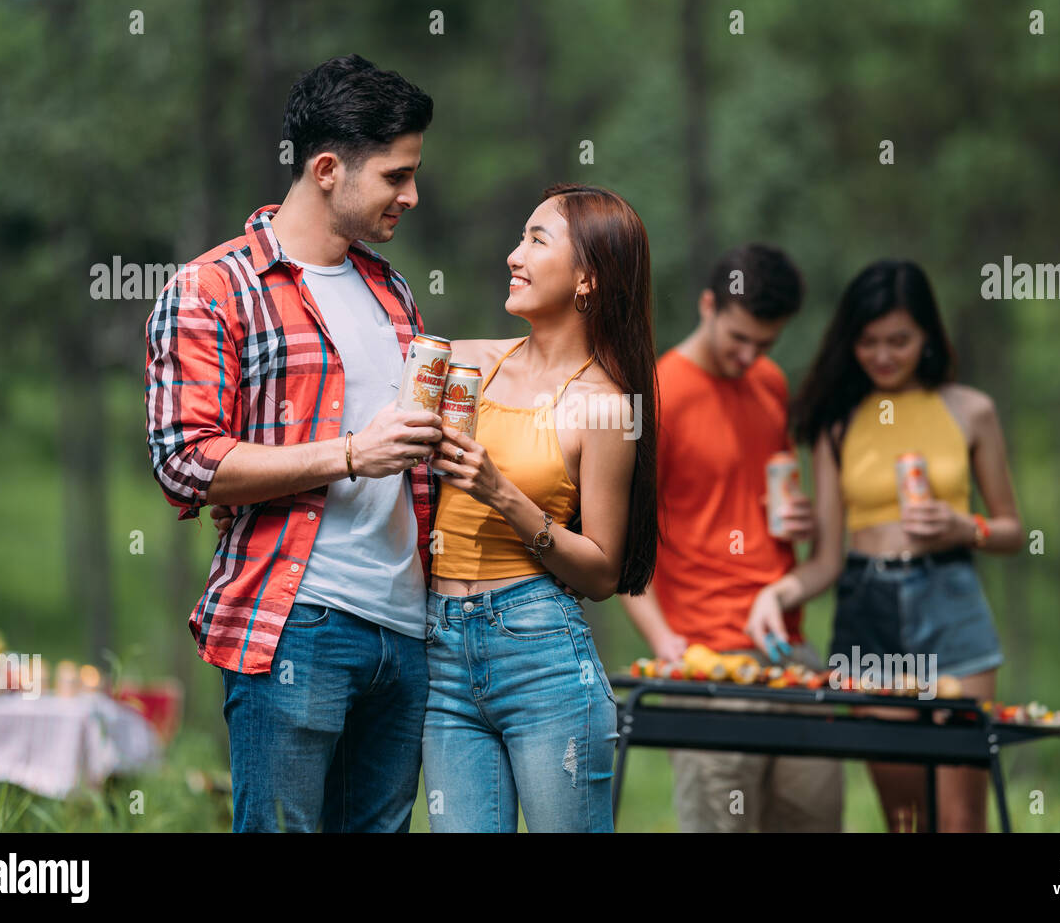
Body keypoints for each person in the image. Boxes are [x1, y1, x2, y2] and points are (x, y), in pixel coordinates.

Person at [146, 54, 443, 832]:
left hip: (406, 631)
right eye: (395, 176)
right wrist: (349, 453)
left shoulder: (392, 290)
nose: (410, 196)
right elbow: (186, 462)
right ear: (324, 169)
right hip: (300, 625)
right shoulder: (214, 289)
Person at [747, 259, 1023, 832]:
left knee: (960, 820)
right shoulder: (838, 425)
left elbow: (1011, 530)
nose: (883, 355)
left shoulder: (971, 410)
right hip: (866, 607)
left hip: (951, 600)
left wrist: (962, 527)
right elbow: (825, 560)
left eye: (899, 340)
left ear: (927, 336)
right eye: (868, 342)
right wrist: (778, 593)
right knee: (904, 817)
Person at [420, 183, 658, 832]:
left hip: (540, 653)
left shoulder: (605, 408)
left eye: (536, 240)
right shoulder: (468, 365)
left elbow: (604, 573)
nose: (513, 255)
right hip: (440, 653)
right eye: (519, 237)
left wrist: (502, 494)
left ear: (588, 279)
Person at [619, 243, 844, 833]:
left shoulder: (770, 384)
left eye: (765, 344)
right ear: (708, 304)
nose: (749, 357)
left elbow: (758, 496)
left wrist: (799, 520)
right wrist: (665, 640)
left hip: (789, 657)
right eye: (738, 339)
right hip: (709, 666)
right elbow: (618, 546)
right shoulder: (657, 394)